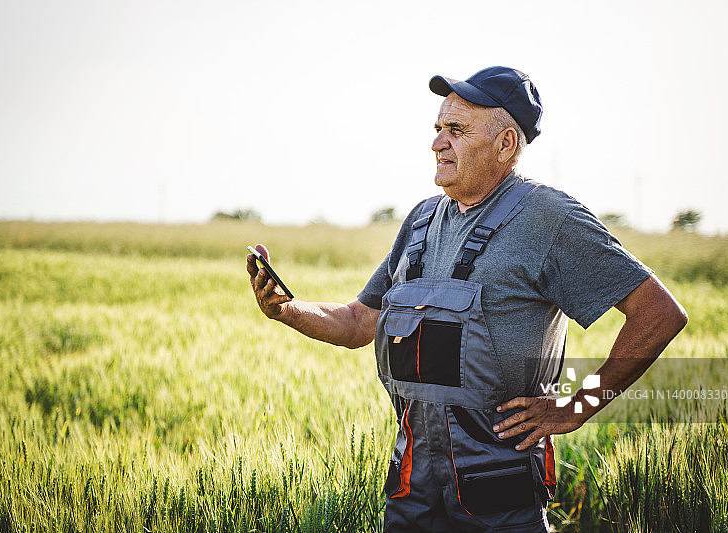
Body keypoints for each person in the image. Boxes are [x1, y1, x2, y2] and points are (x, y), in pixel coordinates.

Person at [246, 66, 687, 533]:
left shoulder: (550, 218)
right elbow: (358, 322)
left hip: (499, 497)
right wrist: (287, 310)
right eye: (438, 128)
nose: (437, 143)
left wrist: (575, 407)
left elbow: (658, 314)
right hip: (411, 491)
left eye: (456, 130)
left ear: (505, 145)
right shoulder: (421, 220)